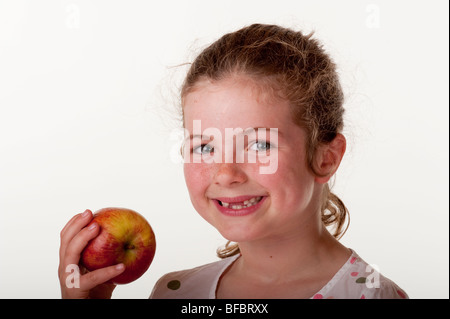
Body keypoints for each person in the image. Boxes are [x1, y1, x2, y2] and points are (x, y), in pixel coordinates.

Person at [58, 23, 408, 299]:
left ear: (325, 158)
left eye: (259, 145)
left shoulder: (372, 294)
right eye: (205, 148)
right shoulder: (174, 291)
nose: (225, 174)